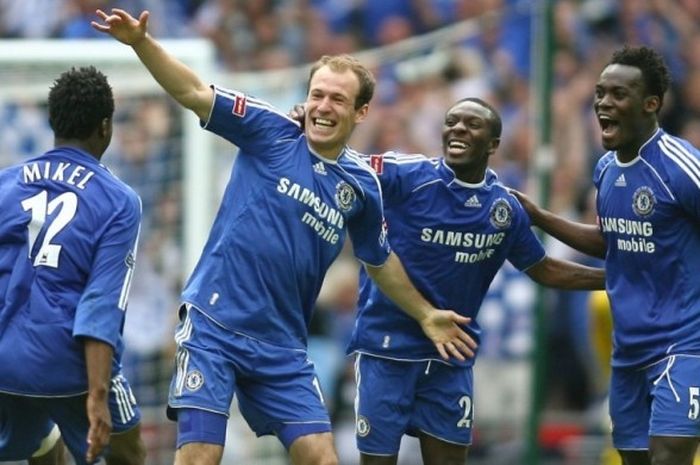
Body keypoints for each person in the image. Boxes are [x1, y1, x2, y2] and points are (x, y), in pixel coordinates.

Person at [92, 9, 476, 465]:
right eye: (317, 95)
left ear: (361, 112)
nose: (323, 107)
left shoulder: (361, 187)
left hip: (282, 347)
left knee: (322, 458)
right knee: (199, 457)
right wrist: (141, 43)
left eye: (337, 99)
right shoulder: (270, 130)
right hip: (214, 327)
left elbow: (379, 260)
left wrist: (426, 314)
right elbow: (193, 91)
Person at [292, 97, 606, 464]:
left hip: (450, 358)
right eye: (452, 122)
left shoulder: (503, 209)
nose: (457, 129)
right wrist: (311, 130)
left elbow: (543, 268)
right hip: (386, 351)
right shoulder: (407, 175)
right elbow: (346, 164)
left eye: (471, 125)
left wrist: (613, 279)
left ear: (493, 145)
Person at [512, 46, 700, 465]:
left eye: (618, 94)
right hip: (628, 351)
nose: (603, 103)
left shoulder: (680, 166)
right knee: (633, 458)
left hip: (684, 345)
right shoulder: (607, 169)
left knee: (670, 456)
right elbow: (610, 241)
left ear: (651, 104)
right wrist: (540, 216)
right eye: (599, 93)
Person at [0, 67, 146, 465]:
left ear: (53, 123)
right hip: (73, 368)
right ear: (105, 127)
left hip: (6, 361)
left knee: (39, 442)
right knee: (128, 453)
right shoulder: (119, 201)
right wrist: (97, 396)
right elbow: (101, 303)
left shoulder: (6, 183)